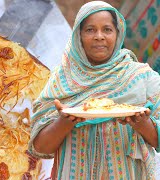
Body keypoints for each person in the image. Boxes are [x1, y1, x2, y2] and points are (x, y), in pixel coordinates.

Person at [28, 1, 160, 179]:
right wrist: (65, 122)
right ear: (78, 35)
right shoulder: (61, 80)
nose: (99, 36)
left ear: (117, 33)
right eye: (90, 30)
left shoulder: (142, 77)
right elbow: (40, 148)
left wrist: (142, 124)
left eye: (107, 29)